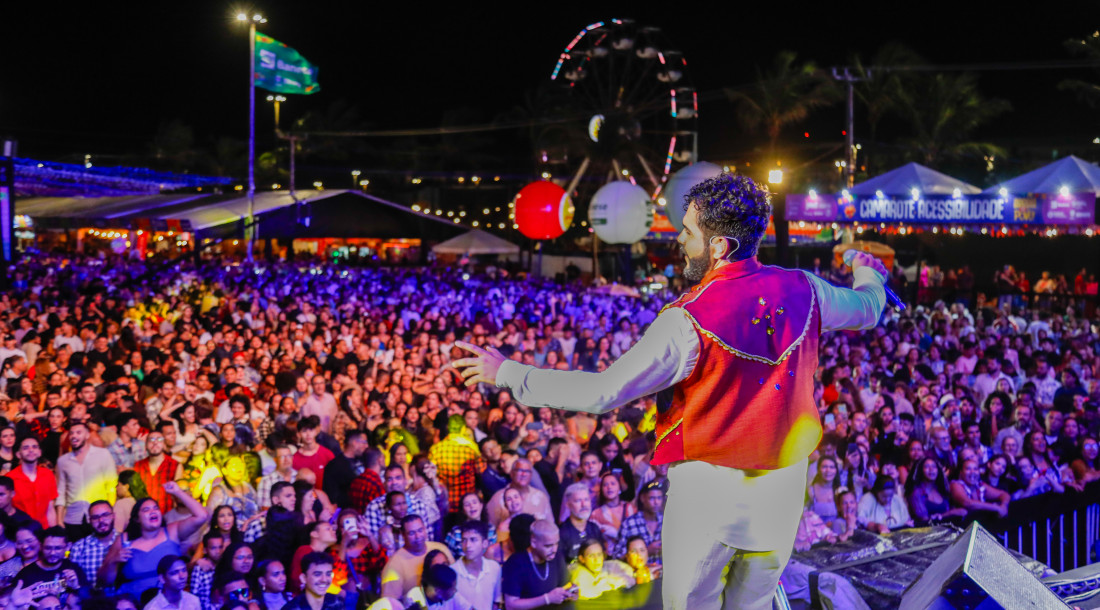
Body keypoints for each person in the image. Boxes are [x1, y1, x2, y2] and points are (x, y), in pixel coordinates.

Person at [454, 172, 888, 609]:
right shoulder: (806, 290)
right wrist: (865, 271)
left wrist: (509, 373)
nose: (679, 238)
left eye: (688, 231)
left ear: (719, 247)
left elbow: (603, 392)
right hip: (782, 497)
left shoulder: (687, 321)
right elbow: (869, 309)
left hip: (709, 499)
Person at [99, 483, 208, 596]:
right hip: (134, 603)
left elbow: (202, 516)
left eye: (156, 508)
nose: (153, 511)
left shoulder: (171, 531)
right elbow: (104, 581)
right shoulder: (124, 539)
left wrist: (177, 492)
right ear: (137, 519)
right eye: (146, 510)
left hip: (169, 603)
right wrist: (113, 561)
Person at [55, 422, 118, 534]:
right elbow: (60, 491)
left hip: (98, 516)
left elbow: (111, 486)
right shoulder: (63, 461)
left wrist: (109, 512)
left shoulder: (103, 454)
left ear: (87, 435)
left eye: (78, 432)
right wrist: (59, 520)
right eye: (71, 433)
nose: (74, 436)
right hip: (72, 517)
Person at [500, 519, 576, 609]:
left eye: (556, 544)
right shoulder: (516, 564)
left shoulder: (557, 557)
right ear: (534, 543)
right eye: (548, 546)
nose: (554, 550)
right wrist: (547, 598)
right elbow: (511, 605)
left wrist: (570, 593)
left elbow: (564, 587)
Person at [378, 515, 453, 601]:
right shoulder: (393, 567)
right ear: (403, 535)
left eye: (420, 530)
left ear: (425, 529)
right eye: (412, 533)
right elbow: (390, 604)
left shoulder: (441, 549)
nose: (418, 536)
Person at [14, 526, 87, 598]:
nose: (52, 553)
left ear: (67, 547)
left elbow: (89, 601)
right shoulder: (26, 574)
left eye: (58, 548)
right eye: (48, 548)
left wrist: (76, 587)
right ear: (41, 546)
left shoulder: (74, 569)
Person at [450, 521, 501, 610]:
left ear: (485, 543)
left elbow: (496, 602)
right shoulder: (452, 572)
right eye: (464, 540)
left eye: (473, 540)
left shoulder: (494, 568)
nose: (468, 545)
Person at [7, 438, 57, 528]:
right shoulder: (10, 478)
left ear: (39, 452)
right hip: (20, 532)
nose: (31, 450)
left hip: (44, 530)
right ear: (18, 454)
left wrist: (54, 534)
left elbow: (50, 509)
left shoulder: (48, 474)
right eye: (26, 448)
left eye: (34, 447)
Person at [68, 500, 118, 589]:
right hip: (90, 600)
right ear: (89, 521)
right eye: (95, 517)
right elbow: (68, 582)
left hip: (122, 599)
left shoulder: (125, 541)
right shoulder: (79, 547)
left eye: (105, 515)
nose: (101, 520)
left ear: (113, 516)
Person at [134, 431, 180, 515]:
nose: (155, 442)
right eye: (151, 440)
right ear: (145, 445)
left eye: (159, 439)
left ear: (164, 444)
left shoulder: (175, 465)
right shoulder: (138, 466)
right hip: (144, 517)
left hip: (167, 516)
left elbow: (178, 496)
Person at [557, 483, 603, 564]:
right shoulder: (562, 533)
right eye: (578, 500)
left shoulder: (594, 528)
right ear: (568, 505)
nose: (583, 504)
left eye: (586, 500)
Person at [404, 564, 473, 610]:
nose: (455, 590)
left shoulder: (452, 594)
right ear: (439, 591)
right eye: (453, 589)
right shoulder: (414, 598)